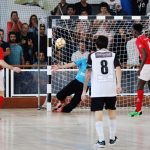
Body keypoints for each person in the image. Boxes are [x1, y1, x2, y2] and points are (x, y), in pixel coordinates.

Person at [81, 35, 122, 148]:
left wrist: (84, 90)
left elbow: (88, 73)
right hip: (110, 88)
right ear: (107, 44)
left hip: (98, 89)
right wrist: (118, 84)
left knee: (98, 112)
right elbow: (118, 69)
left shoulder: (92, 56)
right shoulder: (113, 55)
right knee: (112, 111)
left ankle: (101, 140)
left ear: (96, 45)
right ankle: (112, 138)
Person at [128, 23, 150, 117]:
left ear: (135, 31)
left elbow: (145, 55)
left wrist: (140, 69)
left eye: (132, 30)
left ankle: (138, 110)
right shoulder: (146, 38)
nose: (131, 32)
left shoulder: (139, 40)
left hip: (147, 65)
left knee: (139, 86)